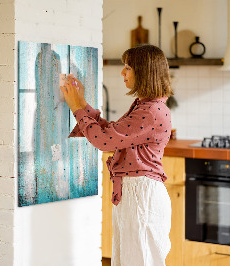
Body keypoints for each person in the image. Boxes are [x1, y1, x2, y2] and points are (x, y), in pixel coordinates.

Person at [60, 44, 173, 266]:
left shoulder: (150, 111)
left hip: (141, 195)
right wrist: (82, 103)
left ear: (144, 71)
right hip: (135, 193)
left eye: (128, 67)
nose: (122, 72)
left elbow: (104, 140)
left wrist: (76, 108)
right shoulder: (146, 106)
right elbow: (112, 133)